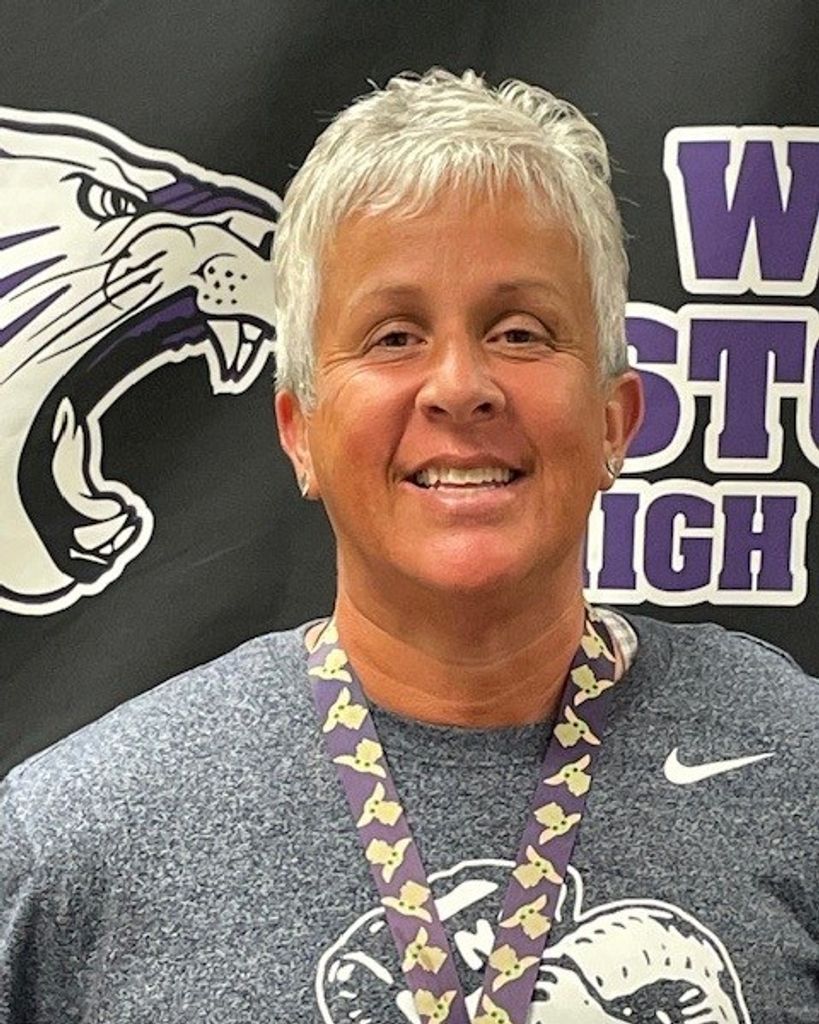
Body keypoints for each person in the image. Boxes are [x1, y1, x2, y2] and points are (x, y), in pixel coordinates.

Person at [1, 68, 817, 1024]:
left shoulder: (795, 771)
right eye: (392, 337)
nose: (459, 387)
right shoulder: (79, 838)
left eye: (521, 332)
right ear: (300, 434)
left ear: (614, 421)